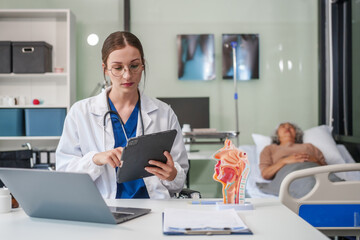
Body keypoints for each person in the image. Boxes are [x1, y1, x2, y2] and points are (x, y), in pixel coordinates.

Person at [56, 31, 189, 199]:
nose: (127, 75)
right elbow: (64, 174)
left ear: (143, 65)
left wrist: (172, 175)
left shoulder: (163, 113)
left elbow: (179, 178)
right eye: (118, 68)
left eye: (134, 66)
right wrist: (95, 160)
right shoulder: (80, 113)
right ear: (105, 69)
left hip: (153, 207)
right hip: (103, 208)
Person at [259, 122, 326, 180]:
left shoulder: (309, 146)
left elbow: (328, 170)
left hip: (314, 172)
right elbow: (265, 174)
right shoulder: (269, 149)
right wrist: (284, 161)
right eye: (283, 126)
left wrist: (316, 161)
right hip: (288, 175)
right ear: (277, 134)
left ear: (296, 133)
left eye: (291, 127)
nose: (287, 128)